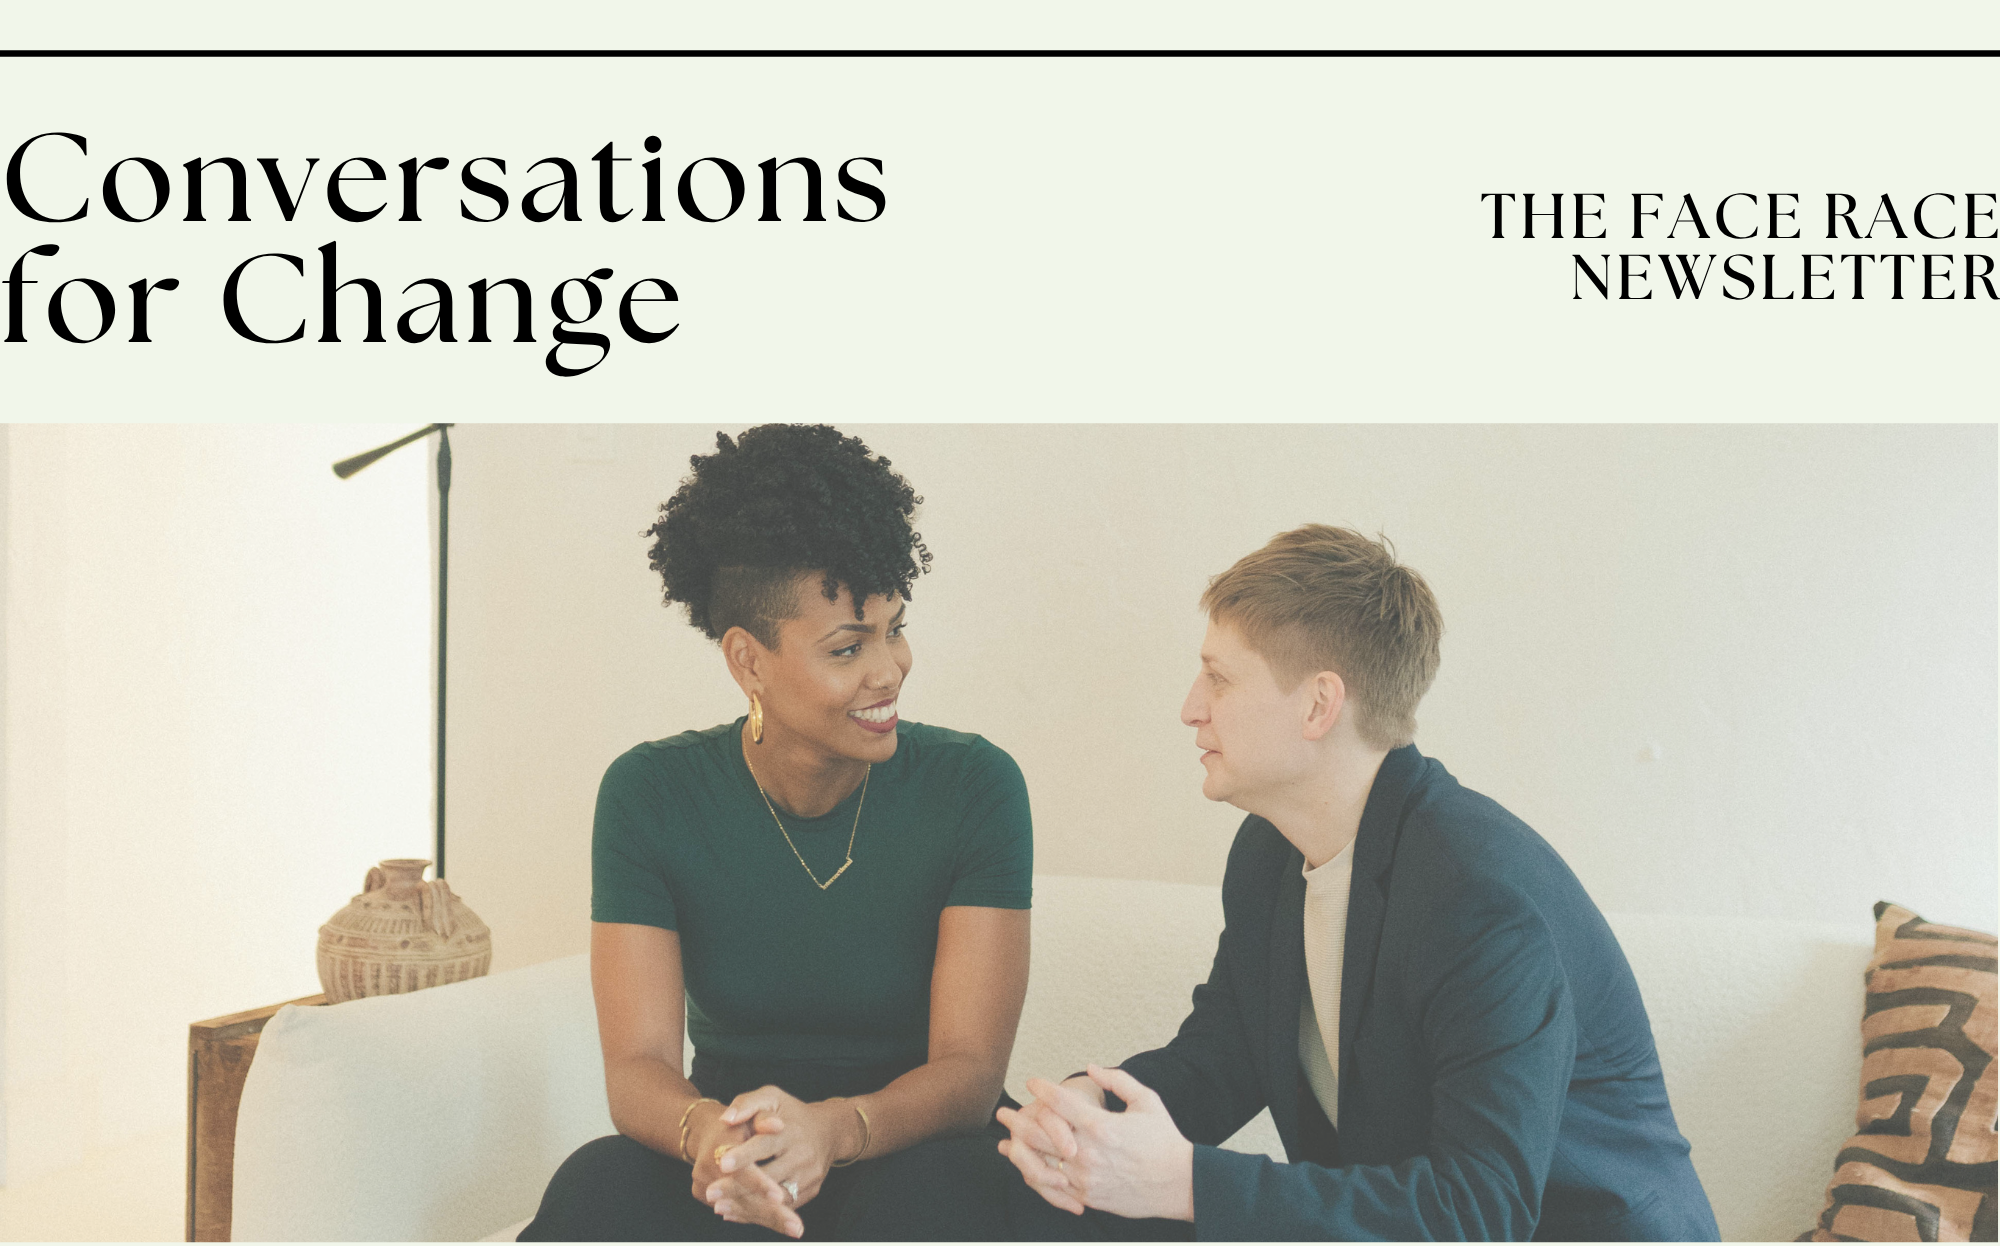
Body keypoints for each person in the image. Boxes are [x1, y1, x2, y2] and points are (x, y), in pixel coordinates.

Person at [997, 524, 1719, 1241]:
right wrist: (1088, 1111)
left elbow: (1480, 1213)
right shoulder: (1267, 854)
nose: (1191, 706)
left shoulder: (1476, 896)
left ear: (1318, 705)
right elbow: (1222, 1059)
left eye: (1219, 677)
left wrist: (1187, 1182)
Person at [523, 425, 1033, 1241]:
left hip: (911, 1144)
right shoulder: (651, 794)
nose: (889, 669)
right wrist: (717, 1143)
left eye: (894, 628)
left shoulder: (973, 786)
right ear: (748, 661)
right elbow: (639, 1067)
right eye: (848, 646)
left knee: (953, 1200)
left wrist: (830, 1131)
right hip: (735, 1135)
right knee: (599, 1187)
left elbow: (969, 1073)